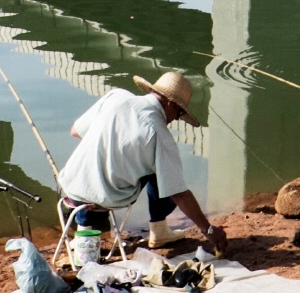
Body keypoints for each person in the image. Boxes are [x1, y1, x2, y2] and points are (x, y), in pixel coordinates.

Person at [57, 71, 228, 254]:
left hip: (70, 184)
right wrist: (208, 229)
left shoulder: (116, 96)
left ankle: (84, 232)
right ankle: (159, 229)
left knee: (95, 163)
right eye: (178, 113)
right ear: (170, 103)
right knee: (163, 169)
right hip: (106, 198)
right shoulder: (159, 135)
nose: (175, 119)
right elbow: (179, 193)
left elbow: (75, 131)